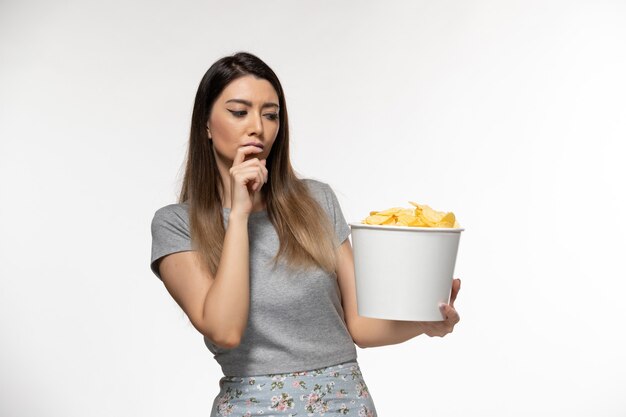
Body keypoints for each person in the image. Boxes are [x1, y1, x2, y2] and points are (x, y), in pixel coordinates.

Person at [149, 51, 461, 417]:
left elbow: (359, 324)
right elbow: (225, 330)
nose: (258, 127)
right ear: (205, 122)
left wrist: (424, 323)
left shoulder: (316, 201)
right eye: (239, 112)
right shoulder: (175, 224)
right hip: (254, 408)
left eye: (270, 114)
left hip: (345, 402)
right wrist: (238, 215)